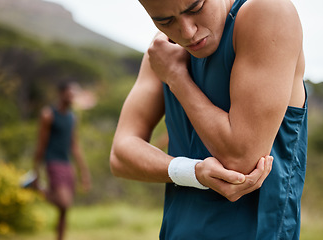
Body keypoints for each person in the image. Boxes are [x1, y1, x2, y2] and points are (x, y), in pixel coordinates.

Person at [110, 0, 307, 239]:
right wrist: (192, 172)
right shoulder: (163, 49)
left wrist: (176, 77)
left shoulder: (268, 12)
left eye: (195, 8)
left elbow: (240, 158)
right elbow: (120, 155)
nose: (187, 32)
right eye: (165, 21)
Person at [32, 80, 91, 240]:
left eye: (75, 93)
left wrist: (83, 172)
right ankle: (36, 188)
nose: (73, 96)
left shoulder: (72, 118)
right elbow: (41, 143)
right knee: (64, 203)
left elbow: (75, 145)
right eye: (70, 93)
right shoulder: (48, 114)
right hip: (53, 161)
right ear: (61, 93)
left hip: (66, 163)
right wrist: (35, 169)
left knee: (65, 209)